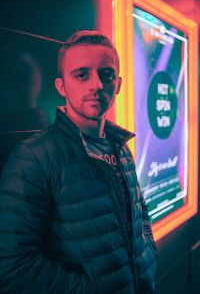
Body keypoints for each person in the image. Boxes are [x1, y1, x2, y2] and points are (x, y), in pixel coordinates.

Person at [0, 30, 157, 294]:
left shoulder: (120, 146)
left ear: (117, 84)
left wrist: (148, 263)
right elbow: (11, 266)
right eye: (81, 74)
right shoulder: (34, 157)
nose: (96, 84)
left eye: (105, 75)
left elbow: (141, 218)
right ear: (61, 86)